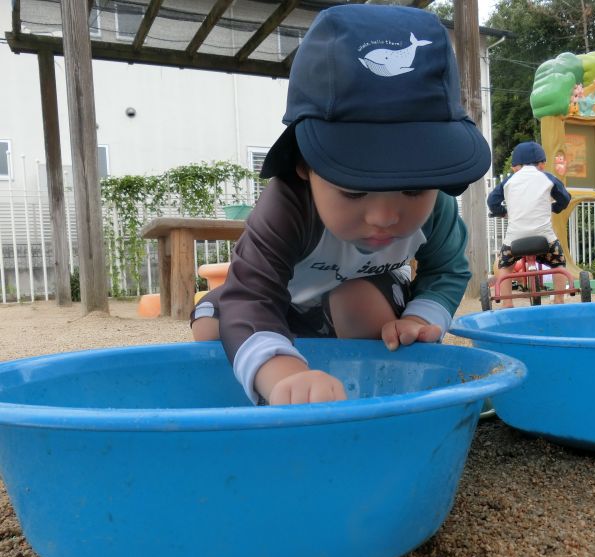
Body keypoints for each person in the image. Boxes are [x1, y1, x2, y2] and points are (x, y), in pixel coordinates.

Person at [191, 4, 491, 406]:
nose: (384, 217)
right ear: (304, 165)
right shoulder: (287, 206)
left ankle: (373, 390)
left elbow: (448, 270)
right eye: (353, 189)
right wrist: (283, 372)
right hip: (285, 302)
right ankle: (253, 381)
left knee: (355, 299)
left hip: (361, 304)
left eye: (413, 190)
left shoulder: (437, 208)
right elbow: (252, 294)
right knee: (213, 322)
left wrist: (422, 318)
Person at [487, 141, 571, 308]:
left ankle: (507, 303)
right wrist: (555, 207)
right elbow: (565, 198)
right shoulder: (547, 178)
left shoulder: (509, 181)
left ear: (515, 166)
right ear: (541, 164)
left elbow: (492, 201)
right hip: (545, 240)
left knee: (505, 265)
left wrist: (502, 212)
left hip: (515, 241)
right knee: (559, 262)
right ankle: (559, 300)